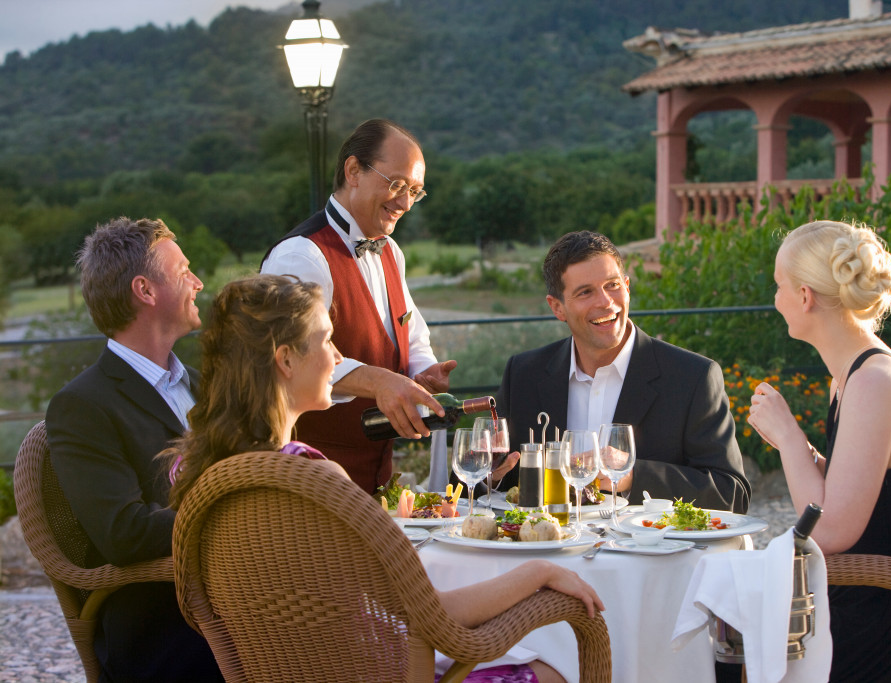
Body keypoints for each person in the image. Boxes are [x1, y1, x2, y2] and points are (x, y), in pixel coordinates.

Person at [166, 274, 604, 683]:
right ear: (285, 359)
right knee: (552, 667)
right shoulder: (314, 481)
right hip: (377, 670)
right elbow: (434, 615)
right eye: (327, 341)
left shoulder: (194, 470)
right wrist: (541, 571)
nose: (338, 358)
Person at [747, 220, 891, 681]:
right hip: (868, 601)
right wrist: (803, 450)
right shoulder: (851, 374)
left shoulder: (872, 382)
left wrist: (789, 440)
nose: (775, 299)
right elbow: (855, 491)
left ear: (804, 296)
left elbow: (830, 530)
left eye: (778, 286)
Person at [45, 217, 222, 682]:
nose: (198, 282)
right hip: (164, 630)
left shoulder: (203, 388)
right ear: (145, 291)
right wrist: (230, 515)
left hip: (229, 600)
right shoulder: (82, 406)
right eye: (184, 270)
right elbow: (123, 533)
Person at [261, 118, 470, 496]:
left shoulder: (392, 253)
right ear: (354, 170)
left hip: (377, 482)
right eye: (396, 184)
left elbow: (412, 332)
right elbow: (296, 360)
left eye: (415, 191)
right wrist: (379, 381)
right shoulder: (300, 256)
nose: (405, 202)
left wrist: (423, 372)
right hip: (310, 482)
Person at [497, 230, 750, 511]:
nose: (605, 302)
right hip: (548, 550)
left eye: (612, 285)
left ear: (627, 287)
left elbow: (732, 495)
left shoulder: (693, 377)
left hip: (650, 554)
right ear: (557, 308)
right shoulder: (523, 374)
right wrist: (490, 479)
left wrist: (631, 476)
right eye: (585, 292)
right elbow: (491, 477)